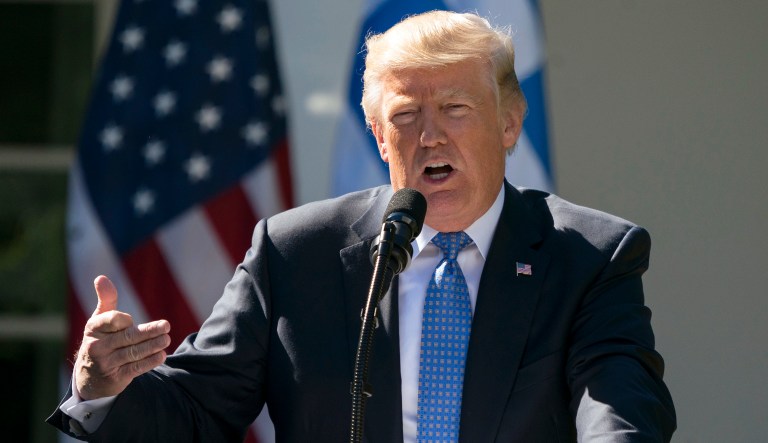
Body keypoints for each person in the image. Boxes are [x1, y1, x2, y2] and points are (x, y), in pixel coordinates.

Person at [49, 10, 676, 442]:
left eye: (456, 109)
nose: (430, 134)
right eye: (406, 116)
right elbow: (193, 411)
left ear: (508, 125)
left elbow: (619, 410)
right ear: (378, 136)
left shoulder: (590, 257)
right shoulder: (297, 254)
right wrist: (105, 387)